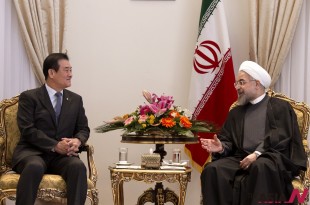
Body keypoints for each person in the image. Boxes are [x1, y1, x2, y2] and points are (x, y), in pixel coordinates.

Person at [200, 61, 307, 205]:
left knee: (260, 166)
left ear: (257, 84)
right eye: (236, 83)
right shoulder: (236, 112)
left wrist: (257, 154)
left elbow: (281, 138)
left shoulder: (280, 107)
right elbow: (228, 140)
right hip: (240, 159)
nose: (238, 87)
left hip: (270, 157)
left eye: (242, 82)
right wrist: (222, 147)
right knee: (212, 170)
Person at [12, 53, 90, 205]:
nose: (70, 74)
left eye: (71, 70)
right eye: (66, 70)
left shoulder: (76, 99)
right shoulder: (29, 97)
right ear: (52, 73)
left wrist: (77, 140)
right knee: (34, 166)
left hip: (62, 157)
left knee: (78, 166)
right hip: (33, 152)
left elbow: (83, 128)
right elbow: (27, 129)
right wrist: (54, 145)